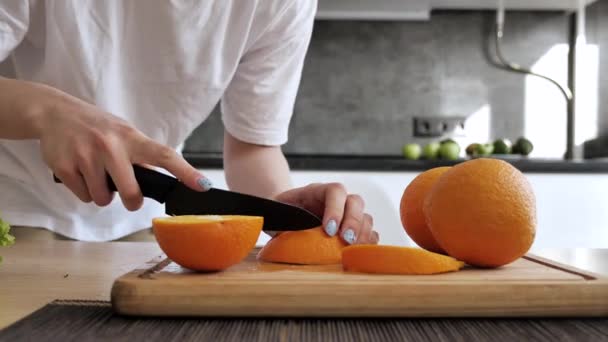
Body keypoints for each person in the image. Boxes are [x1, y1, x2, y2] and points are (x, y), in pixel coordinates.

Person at [0, 1, 379, 245]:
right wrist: (48, 112)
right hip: (13, 212)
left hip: (149, 222)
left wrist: (279, 210)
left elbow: (252, 148)